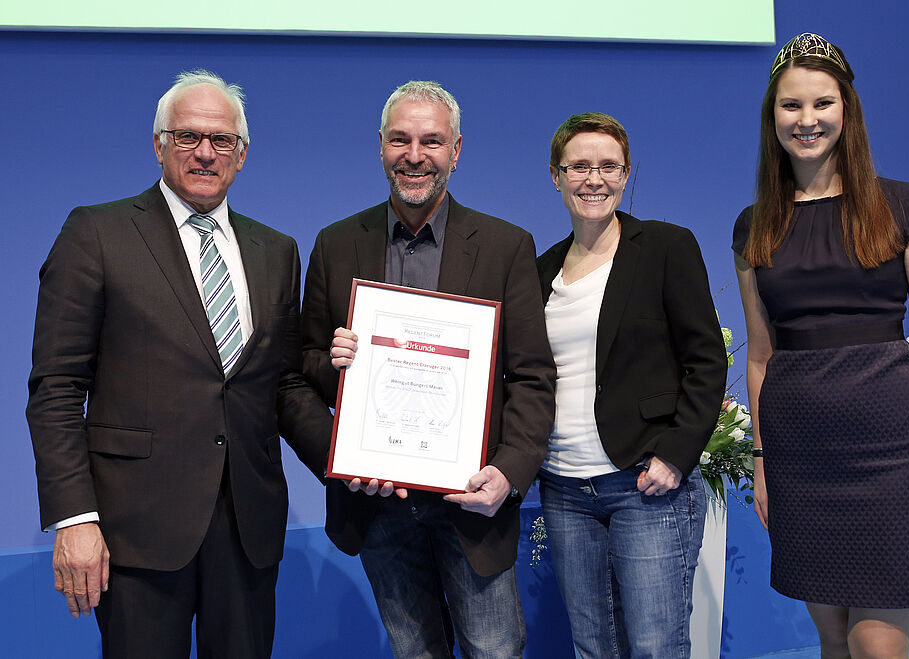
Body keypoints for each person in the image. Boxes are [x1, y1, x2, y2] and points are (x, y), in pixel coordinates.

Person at [25, 70, 332, 658]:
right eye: (188, 136)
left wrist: (346, 460)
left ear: (242, 154)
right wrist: (75, 517)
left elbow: (282, 384)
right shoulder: (97, 233)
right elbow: (56, 388)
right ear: (159, 145)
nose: (205, 152)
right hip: (136, 530)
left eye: (221, 140)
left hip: (248, 529)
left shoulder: (277, 251)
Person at [301, 80, 556, 658]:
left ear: (456, 151)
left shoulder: (505, 246)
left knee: (494, 651)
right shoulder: (336, 244)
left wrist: (509, 472)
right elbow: (301, 371)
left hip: (473, 500)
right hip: (376, 504)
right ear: (380, 146)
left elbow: (533, 377)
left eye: (431, 141)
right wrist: (341, 455)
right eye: (400, 140)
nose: (414, 156)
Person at [733, 33, 909, 658]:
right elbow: (761, 356)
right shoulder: (754, 225)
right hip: (800, 456)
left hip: (891, 453)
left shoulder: (903, 204)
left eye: (822, 103)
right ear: (772, 116)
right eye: (790, 105)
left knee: (877, 649)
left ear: (847, 110)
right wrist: (762, 462)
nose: (806, 120)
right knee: (834, 645)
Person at [536, 112, 727, 658]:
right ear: (556, 175)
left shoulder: (665, 246)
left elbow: (705, 360)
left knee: (654, 648)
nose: (593, 179)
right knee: (593, 648)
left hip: (644, 483)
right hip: (564, 490)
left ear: (624, 175)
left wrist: (676, 456)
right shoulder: (540, 269)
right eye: (579, 166)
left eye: (608, 167)